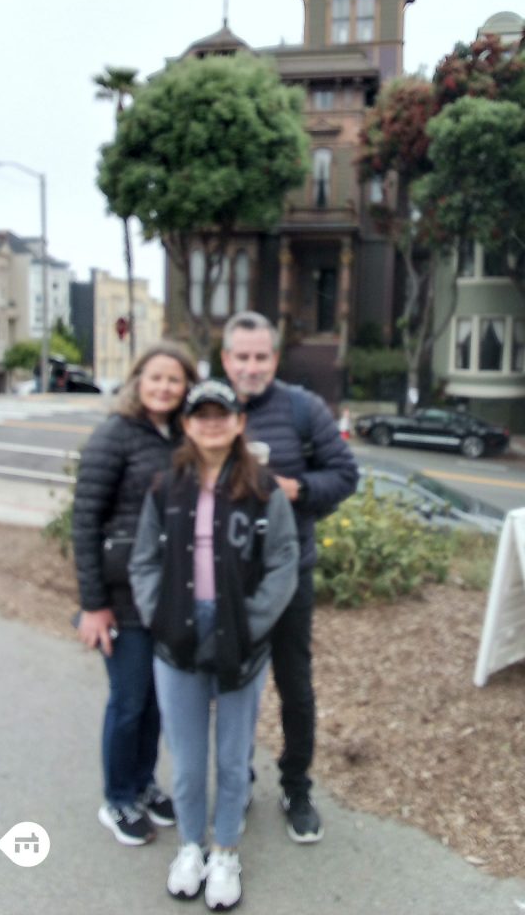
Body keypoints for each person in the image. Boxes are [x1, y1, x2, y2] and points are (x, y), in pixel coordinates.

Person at [129, 379, 299, 910]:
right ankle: (190, 846)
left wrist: (250, 623)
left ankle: (225, 850)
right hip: (177, 633)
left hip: (240, 634)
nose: (211, 423)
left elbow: (283, 562)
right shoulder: (166, 487)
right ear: (186, 424)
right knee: (185, 759)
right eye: (199, 414)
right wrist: (158, 614)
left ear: (239, 422)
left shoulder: (264, 489)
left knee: (231, 757)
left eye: (221, 413)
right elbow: (143, 561)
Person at [221, 311, 359, 844]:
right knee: (229, 685)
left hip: (289, 572)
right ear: (226, 359)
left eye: (261, 357)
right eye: (242, 357)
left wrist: (292, 490)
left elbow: (345, 474)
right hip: (227, 576)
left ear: (274, 360)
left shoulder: (302, 408)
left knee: (295, 688)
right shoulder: (210, 407)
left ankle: (296, 786)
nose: (251, 367)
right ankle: (237, 778)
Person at [72, 343, 197, 846]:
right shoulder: (114, 436)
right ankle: (118, 798)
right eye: (155, 377)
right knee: (129, 701)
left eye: (175, 379)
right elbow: (85, 523)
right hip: (122, 599)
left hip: (168, 596)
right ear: (137, 381)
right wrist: (93, 604)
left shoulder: (182, 437)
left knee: (156, 703)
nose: (164, 387)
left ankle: (143, 784)